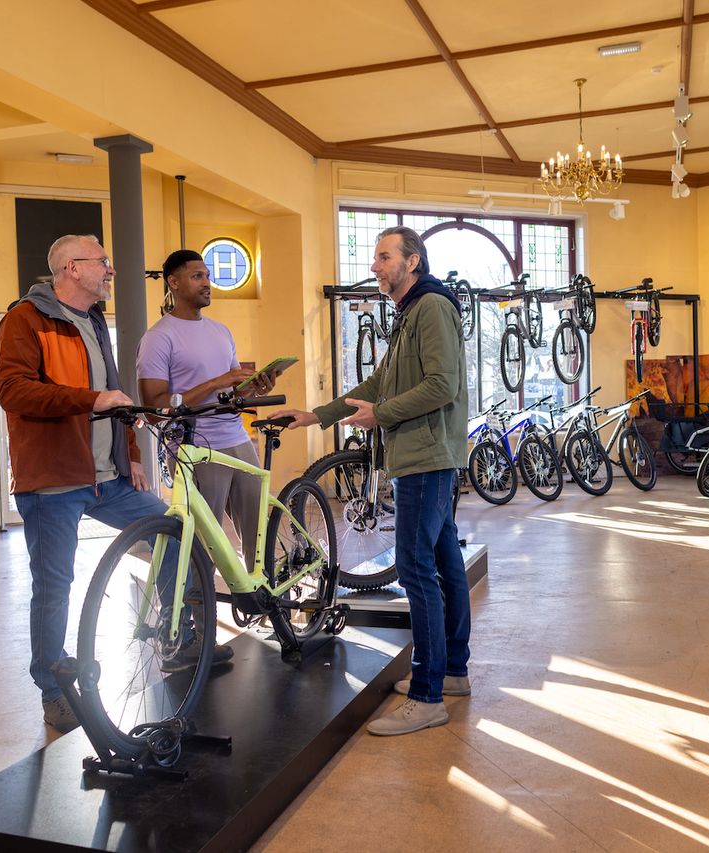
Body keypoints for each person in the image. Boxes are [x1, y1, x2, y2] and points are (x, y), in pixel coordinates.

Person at [274, 226, 470, 737]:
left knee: (415, 569)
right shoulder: (409, 313)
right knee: (445, 563)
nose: (375, 266)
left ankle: (428, 697)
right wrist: (318, 416)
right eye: (375, 257)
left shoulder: (430, 307)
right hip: (423, 453)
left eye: (384, 257)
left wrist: (381, 415)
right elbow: (381, 382)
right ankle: (452, 673)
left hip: (425, 457)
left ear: (413, 262)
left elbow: (441, 387)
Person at [0, 234, 178, 734]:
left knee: (172, 532)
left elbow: (115, 396)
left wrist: (131, 454)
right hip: (53, 479)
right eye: (103, 262)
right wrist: (87, 400)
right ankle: (52, 691)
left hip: (107, 479)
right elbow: (11, 390)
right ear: (72, 269)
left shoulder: (95, 322)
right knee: (55, 587)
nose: (111, 270)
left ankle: (177, 635)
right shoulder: (26, 319)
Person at [137, 249, 273, 660]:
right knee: (200, 544)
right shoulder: (159, 336)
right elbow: (155, 403)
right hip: (196, 448)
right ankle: (194, 634)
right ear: (174, 283)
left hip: (237, 439)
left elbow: (228, 395)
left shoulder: (220, 331)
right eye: (196, 275)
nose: (206, 282)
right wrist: (218, 381)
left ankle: (268, 603)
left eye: (207, 274)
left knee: (258, 531)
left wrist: (252, 388)